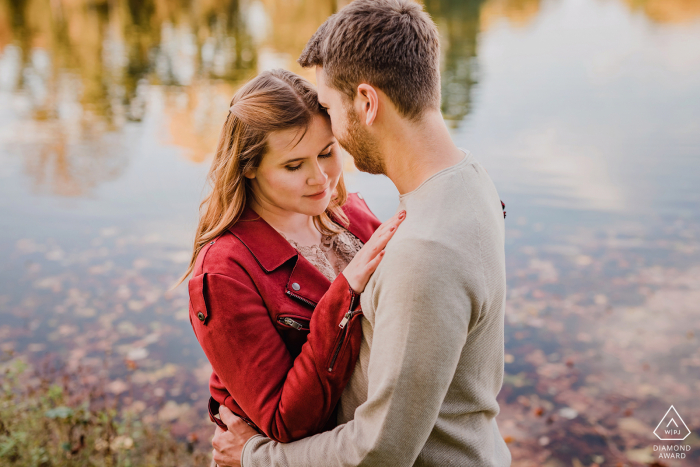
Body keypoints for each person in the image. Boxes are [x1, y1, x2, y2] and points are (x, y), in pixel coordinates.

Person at [211, 0, 512, 466]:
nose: (329, 129)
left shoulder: (424, 253)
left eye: (329, 107)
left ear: (367, 103)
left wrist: (254, 457)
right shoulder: (470, 181)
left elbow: (379, 451)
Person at [181, 68, 406, 446]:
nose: (320, 178)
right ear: (249, 166)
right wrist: (346, 293)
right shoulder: (224, 272)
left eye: (326, 152)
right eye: (293, 165)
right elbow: (287, 423)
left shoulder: (351, 212)